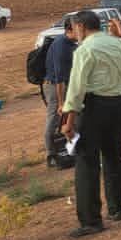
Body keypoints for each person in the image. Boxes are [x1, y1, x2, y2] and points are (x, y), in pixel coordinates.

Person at [61, 10, 121, 237]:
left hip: (93, 108)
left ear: (81, 27)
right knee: (114, 155)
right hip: (117, 105)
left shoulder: (85, 50)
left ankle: (91, 221)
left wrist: (68, 121)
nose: (75, 33)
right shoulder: (119, 44)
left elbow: (76, 90)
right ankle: (117, 208)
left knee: (86, 162)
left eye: (74, 29)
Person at [43, 19, 77, 169]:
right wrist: (61, 101)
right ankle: (52, 154)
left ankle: (68, 151)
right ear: (71, 29)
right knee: (55, 119)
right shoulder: (61, 45)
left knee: (68, 119)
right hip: (56, 87)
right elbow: (59, 78)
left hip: (64, 85)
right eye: (79, 28)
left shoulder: (70, 44)